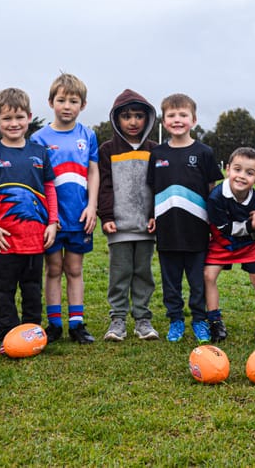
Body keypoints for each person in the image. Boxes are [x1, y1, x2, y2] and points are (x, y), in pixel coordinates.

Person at [0, 88, 58, 349]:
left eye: (19, 117)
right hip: (1, 239)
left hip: (35, 238)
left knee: (32, 289)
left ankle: (31, 333)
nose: (14, 124)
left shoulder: (40, 153)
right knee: (2, 292)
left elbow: (50, 189)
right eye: (7, 118)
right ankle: (8, 336)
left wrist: (53, 222)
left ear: (29, 117)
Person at [147, 93, 223, 343]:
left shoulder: (204, 152)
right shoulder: (157, 153)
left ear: (194, 119)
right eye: (171, 115)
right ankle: (176, 320)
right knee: (171, 282)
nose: (177, 120)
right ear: (163, 121)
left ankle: (200, 321)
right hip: (168, 230)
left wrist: (214, 223)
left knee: (198, 282)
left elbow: (213, 189)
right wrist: (151, 216)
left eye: (183, 115)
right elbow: (152, 188)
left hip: (197, 231)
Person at [31, 73, 99, 344]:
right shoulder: (39, 138)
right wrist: (48, 215)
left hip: (79, 215)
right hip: (52, 219)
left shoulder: (88, 135)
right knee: (54, 268)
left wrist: (92, 206)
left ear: (82, 105)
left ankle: (77, 323)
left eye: (74, 100)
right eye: (61, 100)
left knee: (74, 269)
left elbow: (93, 172)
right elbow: (36, 180)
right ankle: (55, 323)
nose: (67, 106)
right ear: (51, 103)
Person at [96, 90, 160, 342]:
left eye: (138, 116)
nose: (132, 122)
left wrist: (154, 214)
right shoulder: (107, 149)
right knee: (120, 273)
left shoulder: (155, 149)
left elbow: (158, 187)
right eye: (126, 116)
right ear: (116, 119)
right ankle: (118, 319)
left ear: (148, 119)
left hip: (146, 225)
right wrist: (107, 216)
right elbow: (104, 185)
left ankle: (143, 319)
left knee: (143, 272)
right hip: (118, 226)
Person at [204, 146, 255, 342]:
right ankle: (215, 322)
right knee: (208, 276)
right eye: (237, 169)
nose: (242, 176)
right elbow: (225, 228)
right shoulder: (216, 197)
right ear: (227, 169)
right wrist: (252, 224)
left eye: (250, 173)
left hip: (250, 244)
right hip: (222, 241)